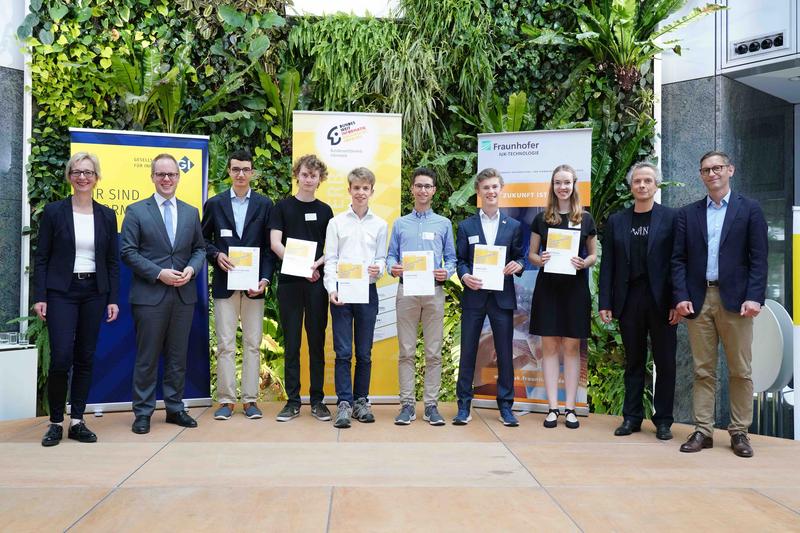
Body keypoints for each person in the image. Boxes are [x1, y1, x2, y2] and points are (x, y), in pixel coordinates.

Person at [672, 150, 768, 458]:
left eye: (717, 168)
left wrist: (754, 296)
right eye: (706, 170)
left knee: (741, 370)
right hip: (699, 300)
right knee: (703, 370)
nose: (712, 174)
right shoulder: (688, 214)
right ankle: (703, 430)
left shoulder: (749, 210)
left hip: (738, 301)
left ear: (730, 170)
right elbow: (678, 260)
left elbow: (759, 258)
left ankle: (740, 431)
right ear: (700, 176)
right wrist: (681, 296)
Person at [34, 153, 119, 447]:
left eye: (88, 172)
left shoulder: (107, 215)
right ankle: (56, 422)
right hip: (61, 293)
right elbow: (42, 257)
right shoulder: (54, 212)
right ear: (70, 176)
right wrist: (40, 296)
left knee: (85, 356)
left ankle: (78, 421)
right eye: (77, 172)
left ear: (97, 178)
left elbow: (111, 261)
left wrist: (112, 298)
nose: (83, 177)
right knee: (61, 357)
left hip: (95, 292)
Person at [121, 153, 206, 435]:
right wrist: (159, 273)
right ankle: (143, 412)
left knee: (177, 356)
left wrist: (192, 271)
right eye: (161, 174)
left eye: (172, 175)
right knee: (147, 357)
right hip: (150, 295)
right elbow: (127, 252)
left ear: (179, 177)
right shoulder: (136, 211)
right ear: (153, 177)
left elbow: (199, 249)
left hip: (183, 295)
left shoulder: (191, 211)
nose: (167, 179)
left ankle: (174, 408)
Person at [598, 162, 679, 440]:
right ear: (630, 186)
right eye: (637, 181)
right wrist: (605, 302)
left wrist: (677, 301)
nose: (642, 186)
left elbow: (678, 262)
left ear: (656, 185)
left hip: (662, 302)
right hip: (629, 300)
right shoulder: (617, 221)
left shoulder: (671, 218)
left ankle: (664, 420)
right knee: (633, 361)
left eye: (647, 181)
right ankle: (631, 417)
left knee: (665, 362)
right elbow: (608, 264)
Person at [202, 150, 274, 421]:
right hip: (225, 284)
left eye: (246, 169)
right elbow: (202, 239)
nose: (241, 174)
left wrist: (265, 279)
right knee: (225, 344)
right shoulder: (215, 204)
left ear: (252, 172)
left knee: (254, 344)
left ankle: (250, 401)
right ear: (229, 172)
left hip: (255, 286)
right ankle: (226, 400)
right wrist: (216, 255)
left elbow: (269, 248)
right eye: (236, 169)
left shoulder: (265, 205)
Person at [386, 167, 456, 426]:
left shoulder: (444, 224)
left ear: (434, 191)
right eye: (419, 186)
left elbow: (451, 259)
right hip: (407, 291)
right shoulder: (401, 223)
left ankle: (430, 405)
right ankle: (406, 405)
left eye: (428, 186)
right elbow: (390, 256)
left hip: (433, 293)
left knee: (434, 352)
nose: (423, 190)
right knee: (405, 351)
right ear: (412, 189)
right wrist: (393, 267)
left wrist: (446, 272)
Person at [528, 164, 597, 429]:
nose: (562, 187)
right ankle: (552, 408)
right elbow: (532, 255)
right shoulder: (541, 218)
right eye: (558, 182)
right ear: (552, 186)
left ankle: (570, 408)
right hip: (548, 289)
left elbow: (593, 255)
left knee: (571, 347)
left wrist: (584, 262)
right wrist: (540, 258)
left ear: (574, 185)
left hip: (575, 289)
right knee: (549, 347)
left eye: (567, 182)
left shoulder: (585, 218)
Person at [454, 168, 524, 427]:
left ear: (500, 190)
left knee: (505, 352)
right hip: (474, 296)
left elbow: (520, 256)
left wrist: (518, 265)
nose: (491, 192)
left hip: (502, 298)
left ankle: (506, 406)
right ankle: (463, 405)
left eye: (495, 187)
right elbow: (460, 260)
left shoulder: (514, 226)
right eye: (486, 188)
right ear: (478, 192)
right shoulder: (466, 226)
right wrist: (464, 276)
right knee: (468, 350)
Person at [269, 154, 334, 422]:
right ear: (297, 175)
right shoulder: (281, 208)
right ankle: (293, 401)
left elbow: (331, 249)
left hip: (317, 283)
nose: (309, 179)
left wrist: (314, 266)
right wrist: (299, 266)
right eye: (305, 174)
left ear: (320, 179)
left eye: (314, 175)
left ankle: (317, 400)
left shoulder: (326, 211)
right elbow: (275, 243)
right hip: (290, 284)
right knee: (293, 343)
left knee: (317, 343)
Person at [324, 167, 388, 428]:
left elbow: (382, 259)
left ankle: (362, 401)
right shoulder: (336, 223)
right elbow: (330, 260)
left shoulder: (381, 224)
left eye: (365, 188)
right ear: (349, 190)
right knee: (343, 352)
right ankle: (344, 404)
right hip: (341, 293)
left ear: (371, 191)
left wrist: (379, 269)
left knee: (364, 352)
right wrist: (332, 290)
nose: (361, 192)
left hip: (367, 292)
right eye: (356, 188)